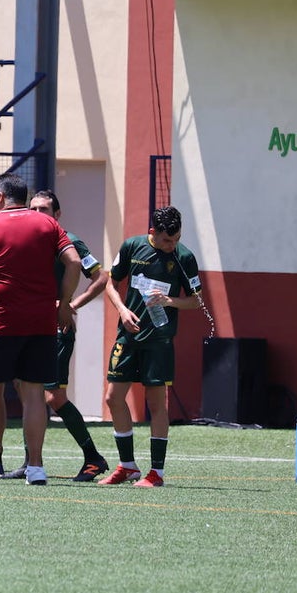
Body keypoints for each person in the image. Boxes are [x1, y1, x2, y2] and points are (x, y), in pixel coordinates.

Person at [0, 173, 81, 486]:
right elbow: (74, 262)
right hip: (41, 322)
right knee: (34, 392)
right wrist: (63, 306)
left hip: (3, 320)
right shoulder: (48, 224)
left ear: (1, 197)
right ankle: (35, 468)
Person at [0, 190, 109, 481]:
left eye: (44, 209)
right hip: (30, 324)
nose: (37, 214)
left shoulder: (68, 241)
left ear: (57, 215)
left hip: (55, 328)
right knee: (28, 392)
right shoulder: (28, 239)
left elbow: (101, 277)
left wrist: (69, 305)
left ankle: (93, 458)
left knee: (52, 395)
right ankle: (30, 461)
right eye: (33, 208)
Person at [98, 205, 202, 488]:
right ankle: (128, 466)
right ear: (152, 232)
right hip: (128, 336)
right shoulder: (132, 247)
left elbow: (196, 300)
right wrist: (121, 309)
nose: (172, 245)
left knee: (156, 404)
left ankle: (156, 473)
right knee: (112, 397)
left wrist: (171, 302)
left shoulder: (184, 257)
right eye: (167, 240)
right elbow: (110, 281)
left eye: (177, 239)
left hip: (159, 341)